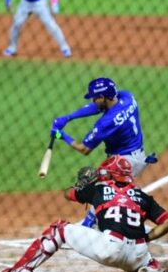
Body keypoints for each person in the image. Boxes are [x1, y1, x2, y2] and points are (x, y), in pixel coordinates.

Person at [0, 157, 168, 272]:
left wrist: (81, 185)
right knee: (143, 254)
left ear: (110, 175)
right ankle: (150, 268)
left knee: (59, 229)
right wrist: (147, 238)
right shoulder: (143, 197)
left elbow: (67, 194)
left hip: (110, 249)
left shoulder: (98, 189)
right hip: (138, 253)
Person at [51, 77, 157, 227]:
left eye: (95, 97)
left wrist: (60, 135)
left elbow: (84, 149)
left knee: (101, 191)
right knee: (105, 190)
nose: (93, 100)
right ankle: (93, 224)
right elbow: (97, 107)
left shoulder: (107, 122)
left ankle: (89, 227)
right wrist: (69, 118)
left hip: (125, 163)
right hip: (136, 156)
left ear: (102, 97)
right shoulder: (127, 96)